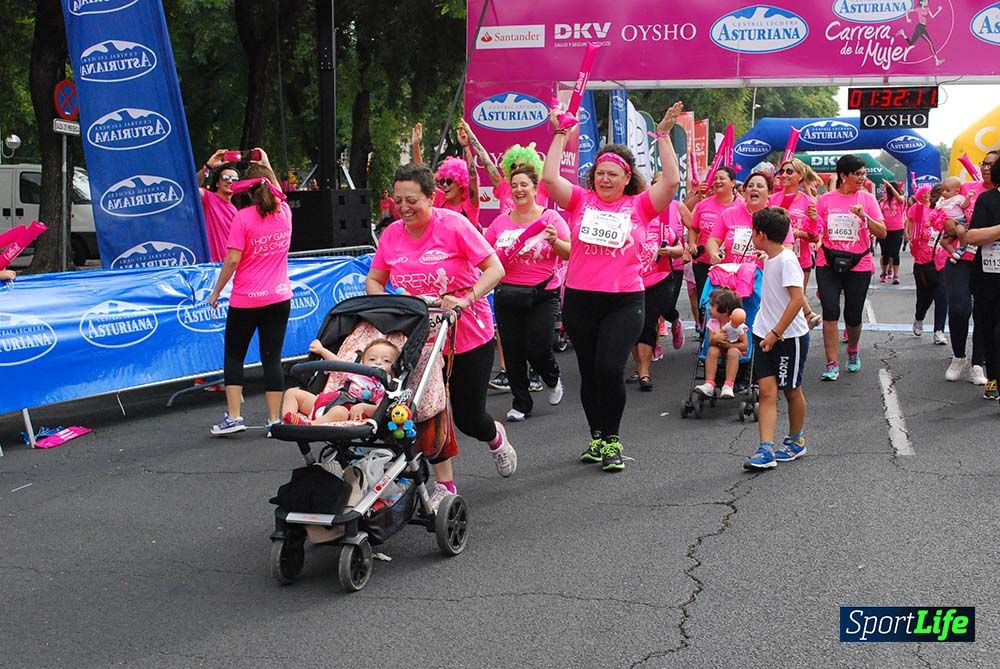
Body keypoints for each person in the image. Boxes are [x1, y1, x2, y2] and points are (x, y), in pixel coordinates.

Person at [542, 101, 683, 472]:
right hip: (581, 300)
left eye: (612, 174)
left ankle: (613, 439)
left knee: (609, 367)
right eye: (600, 173)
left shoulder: (640, 206)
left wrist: (664, 136)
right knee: (589, 373)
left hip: (624, 301)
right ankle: (597, 438)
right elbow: (550, 179)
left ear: (626, 179)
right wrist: (559, 134)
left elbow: (671, 182)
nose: (605, 179)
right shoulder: (579, 201)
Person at [366, 163, 515, 510]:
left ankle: (494, 437)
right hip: (420, 339)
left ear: (431, 198)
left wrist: (466, 298)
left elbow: (496, 269)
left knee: (467, 417)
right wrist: (393, 303)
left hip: (466, 332)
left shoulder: (454, 226)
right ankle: (444, 484)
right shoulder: (391, 235)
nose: (404, 208)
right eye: (398, 200)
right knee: (426, 412)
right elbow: (374, 279)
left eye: (412, 200)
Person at [207, 161, 292, 436]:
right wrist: (265, 161)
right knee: (272, 358)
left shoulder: (243, 217)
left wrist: (217, 291)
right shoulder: (286, 212)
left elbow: (232, 259)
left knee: (234, 356)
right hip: (279, 297)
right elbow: (277, 189)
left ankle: (233, 417)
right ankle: (273, 420)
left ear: (249, 190)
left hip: (246, 299)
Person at [483, 164, 570, 421]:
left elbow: (569, 253)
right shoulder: (500, 223)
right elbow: (486, 256)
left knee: (538, 346)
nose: (519, 189)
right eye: (515, 185)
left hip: (543, 293)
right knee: (512, 350)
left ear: (535, 188)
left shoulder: (551, 219)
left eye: (524, 185)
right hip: (507, 293)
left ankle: (552, 378)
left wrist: (555, 241)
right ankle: (521, 402)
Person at [743, 207, 810, 470]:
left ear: (760, 234)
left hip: (788, 338)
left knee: (792, 390)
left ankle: (796, 441)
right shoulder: (771, 257)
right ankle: (765, 449)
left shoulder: (787, 260)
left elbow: (796, 300)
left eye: (753, 231)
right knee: (768, 392)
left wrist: (776, 333)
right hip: (764, 333)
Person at [814, 154, 887, 381]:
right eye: (857, 174)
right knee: (830, 311)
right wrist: (810, 223)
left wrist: (865, 217)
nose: (862, 178)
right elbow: (816, 230)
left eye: (864, 173)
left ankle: (853, 351)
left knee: (853, 314)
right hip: (828, 260)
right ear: (844, 176)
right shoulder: (826, 200)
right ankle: (832, 362)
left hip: (859, 262)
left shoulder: (867, 199)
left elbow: (882, 232)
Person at [943, 151, 997, 385]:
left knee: (985, 315)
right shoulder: (965, 188)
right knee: (958, 309)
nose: (986, 168)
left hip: (988, 263)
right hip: (960, 258)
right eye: (984, 164)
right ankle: (958, 356)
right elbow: (942, 216)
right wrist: (956, 227)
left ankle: (978, 364)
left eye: (992, 165)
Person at [629, 184, 689, 391]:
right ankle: (638, 369)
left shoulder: (662, 224)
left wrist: (669, 250)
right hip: (631, 281)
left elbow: (680, 248)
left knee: (648, 322)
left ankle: (644, 372)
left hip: (659, 279)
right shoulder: (629, 222)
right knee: (633, 327)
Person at [282, 339, 399, 425]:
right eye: (372, 359)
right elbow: (338, 364)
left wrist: (364, 407)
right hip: (324, 401)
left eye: (386, 360)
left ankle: (310, 425)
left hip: (345, 410)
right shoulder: (357, 372)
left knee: (339, 412)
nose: (378, 362)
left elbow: (381, 408)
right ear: (363, 362)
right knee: (292, 393)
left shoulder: (383, 387)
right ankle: (288, 421)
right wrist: (322, 351)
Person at [964, 158, 1000, 404]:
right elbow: (972, 236)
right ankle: (993, 378)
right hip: (989, 278)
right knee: (991, 331)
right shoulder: (988, 199)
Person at [771, 158, 822, 327]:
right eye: (782, 171)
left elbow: (815, 237)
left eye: (789, 171)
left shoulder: (808, 202)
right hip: (773, 258)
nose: (784, 175)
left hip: (800, 259)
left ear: (800, 176)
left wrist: (799, 232)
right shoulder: (772, 199)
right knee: (777, 299)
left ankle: (798, 334)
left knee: (796, 298)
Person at [707, 171, 790, 267]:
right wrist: (714, 253)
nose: (754, 188)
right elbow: (713, 240)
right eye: (750, 186)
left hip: (764, 275)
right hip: (733, 275)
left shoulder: (777, 216)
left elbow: (788, 247)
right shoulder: (729, 213)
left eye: (759, 186)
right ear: (744, 192)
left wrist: (770, 256)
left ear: (769, 192)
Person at [687, 167, 740, 311]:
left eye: (722, 178)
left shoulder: (741, 206)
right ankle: (706, 330)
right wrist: (692, 244)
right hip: (703, 262)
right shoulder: (703, 205)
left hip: (730, 265)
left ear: (733, 182)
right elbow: (693, 228)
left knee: (729, 302)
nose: (717, 181)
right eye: (715, 178)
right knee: (706, 301)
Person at [410, 122, 481, 229]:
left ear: (461, 183)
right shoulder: (441, 200)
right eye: (442, 181)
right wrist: (416, 146)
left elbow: (473, 177)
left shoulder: (470, 205)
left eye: (449, 181)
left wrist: (466, 146)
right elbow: (422, 177)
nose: (444, 185)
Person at [906, 184, 949, 344]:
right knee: (924, 297)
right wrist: (910, 238)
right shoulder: (921, 210)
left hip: (942, 261)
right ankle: (919, 318)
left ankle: (939, 331)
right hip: (923, 261)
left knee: (942, 296)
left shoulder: (949, 213)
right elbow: (913, 228)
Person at [693, 287, 748, 400]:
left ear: (725, 310)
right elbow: (710, 342)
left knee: (732, 352)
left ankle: (728, 385)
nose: (709, 309)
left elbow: (745, 345)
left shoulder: (737, 325)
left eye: (713, 306)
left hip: (735, 351)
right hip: (719, 350)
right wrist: (716, 338)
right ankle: (709, 384)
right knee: (712, 350)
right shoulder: (712, 323)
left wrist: (730, 346)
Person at [197, 149, 243, 262]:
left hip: (229, 267)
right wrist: (208, 166)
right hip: (210, 267)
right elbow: (191, 188)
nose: (230, 181)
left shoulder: (235, 211)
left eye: (235, 179)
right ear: (217, 183)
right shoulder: (208, 198)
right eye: (226, 178)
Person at [935, 176, 971, 262]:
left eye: (947, 190)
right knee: (943, 242)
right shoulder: (942, 200)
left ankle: (962, 248)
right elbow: (936, 211)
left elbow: (964, 205)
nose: (944, 193)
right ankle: (955, 253)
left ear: (957, 191)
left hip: (959, 221)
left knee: (960, 231)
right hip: (948, 223)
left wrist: (968, 197)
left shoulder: (958, 198)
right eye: (942, 190)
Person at [878, 180, 906, 284]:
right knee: (885, 253)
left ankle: (896, 275)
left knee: (895, 253)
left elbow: (899, 197)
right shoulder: (883, 201)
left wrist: (890, 186)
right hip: (885, 229)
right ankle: (884, 273)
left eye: (888, 189)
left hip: (897, 229)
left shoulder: (900, 200)